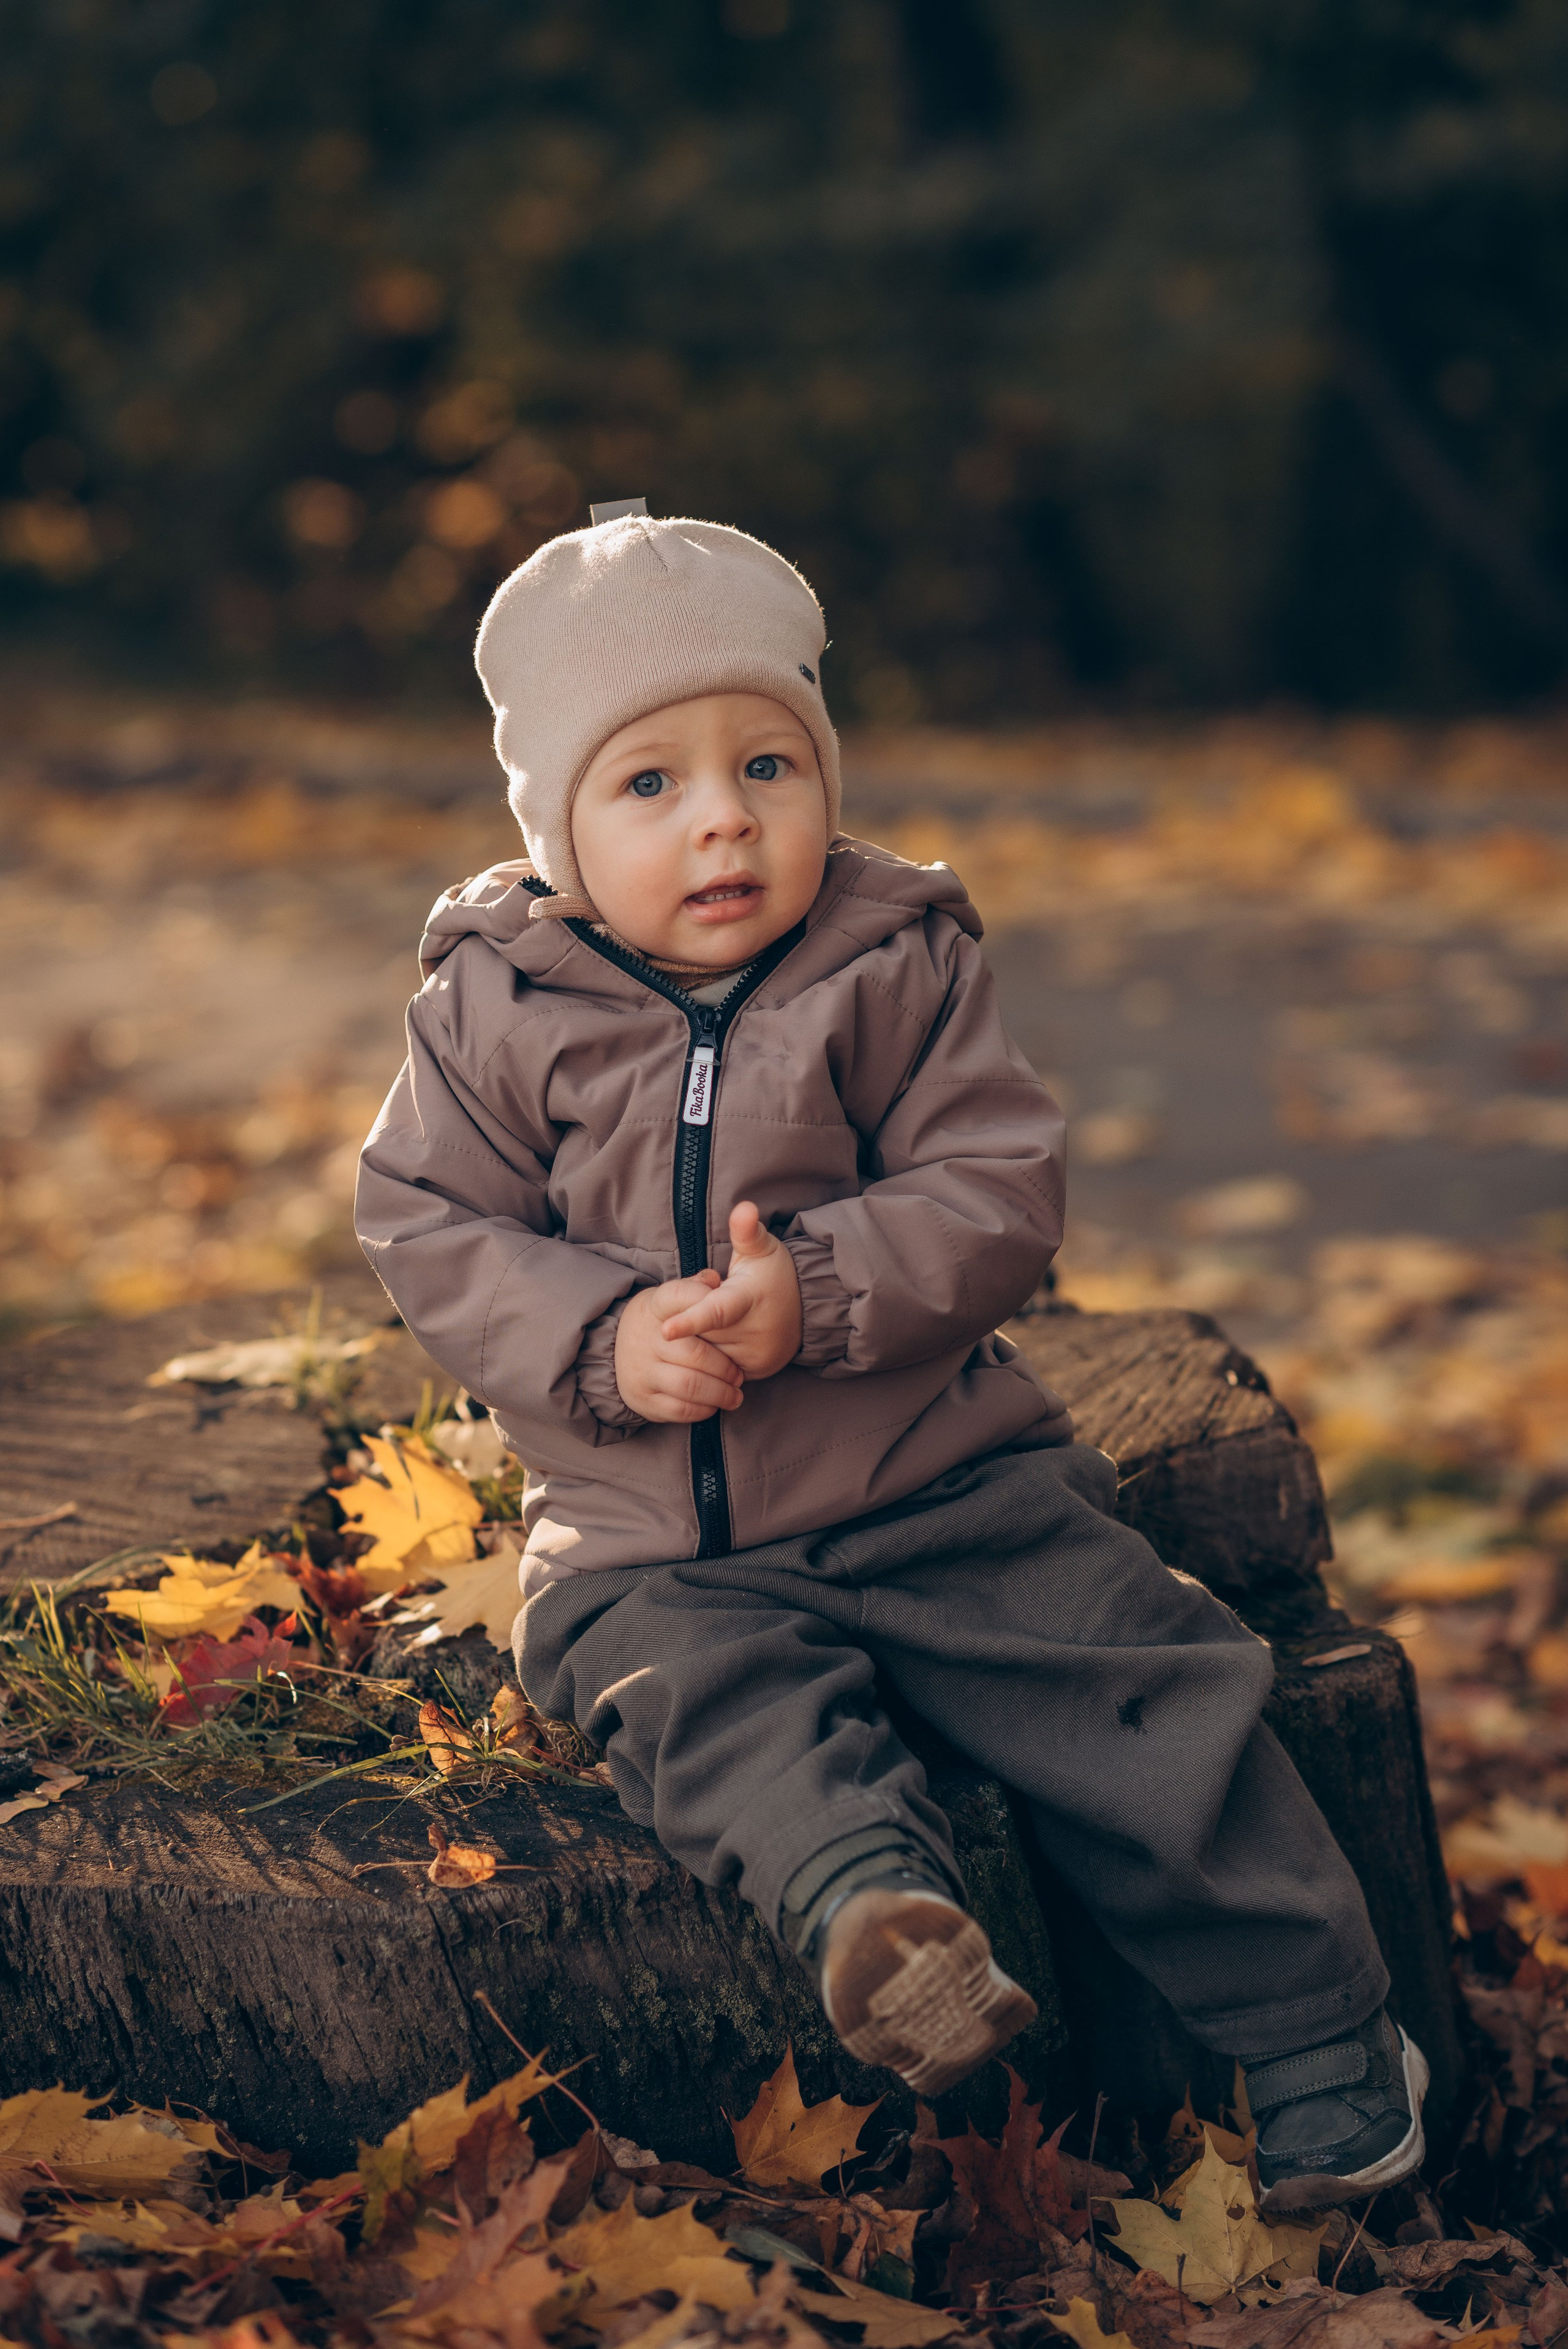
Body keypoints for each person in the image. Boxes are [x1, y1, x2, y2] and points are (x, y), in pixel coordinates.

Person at [355, 510, 1426, 2208]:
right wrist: (601, 1340)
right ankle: (877, 1915)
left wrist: (827, 1291)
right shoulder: (494, 1004)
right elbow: (426, 1223)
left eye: (769, 760)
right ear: (554, 833)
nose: (726, 814)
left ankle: (1317, 2031)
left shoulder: (895, 958)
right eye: (650, 785)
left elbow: (1001, 1188)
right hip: (659, 1542)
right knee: (693, 1704)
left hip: (940, 1482)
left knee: (1144, 1678)